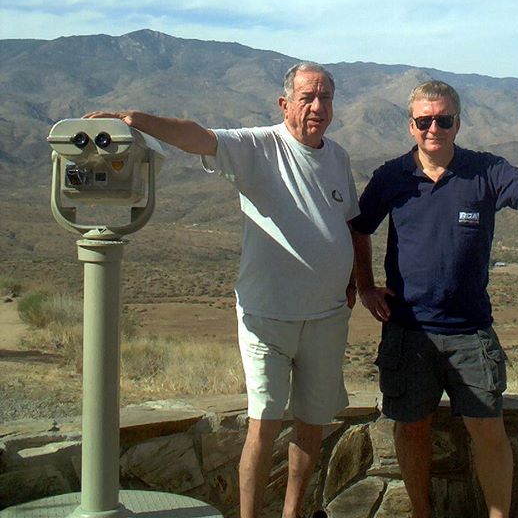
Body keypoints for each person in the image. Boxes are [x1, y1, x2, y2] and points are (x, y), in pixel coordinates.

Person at [85, 62, 359, 518]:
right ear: (285, 103)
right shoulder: (258, 146)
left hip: (327, 315)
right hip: (267, 317)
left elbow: (350, 224)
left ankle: (292, 513)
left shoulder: (339, 157)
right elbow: (200, 138)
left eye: (325, 97)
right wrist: (136, 120)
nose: (317, 106)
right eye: (308, 97)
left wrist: (355, 279)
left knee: (311, 425)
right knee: (264, 424)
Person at [350, 80, 518, 518]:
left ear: (457, 123)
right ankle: (422, 513)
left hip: (470, 333)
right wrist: (366, 286)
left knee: (488, 430)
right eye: (424, 121)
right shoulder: (392, 176)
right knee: (411, 430)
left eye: (443, 120)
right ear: (411, 125)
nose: (434, 129)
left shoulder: (484, 170)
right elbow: (359, 227)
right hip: (408, 333)